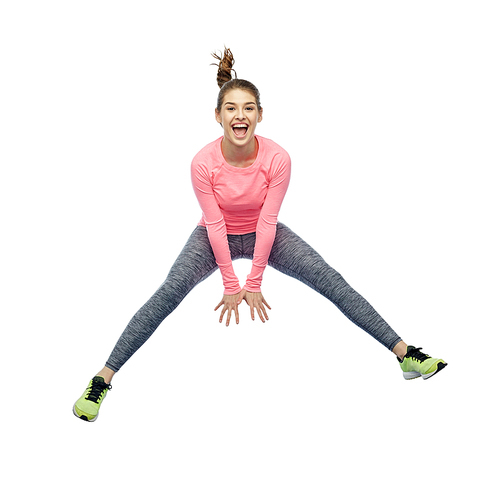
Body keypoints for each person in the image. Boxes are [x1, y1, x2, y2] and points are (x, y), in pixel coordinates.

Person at [73, 48, 447, 422]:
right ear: (218, 116)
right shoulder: (203, 163)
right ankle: (102, 378)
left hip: (262, 233)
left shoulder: (277, 158)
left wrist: (254, 280)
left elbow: (268, 221)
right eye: (232, 108)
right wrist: (230, 282)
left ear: (260, 115)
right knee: (169, 291)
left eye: (249, 107)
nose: (240, 115)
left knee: (331, 281)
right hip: (212, 236)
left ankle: (404, 353)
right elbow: (216, 224)